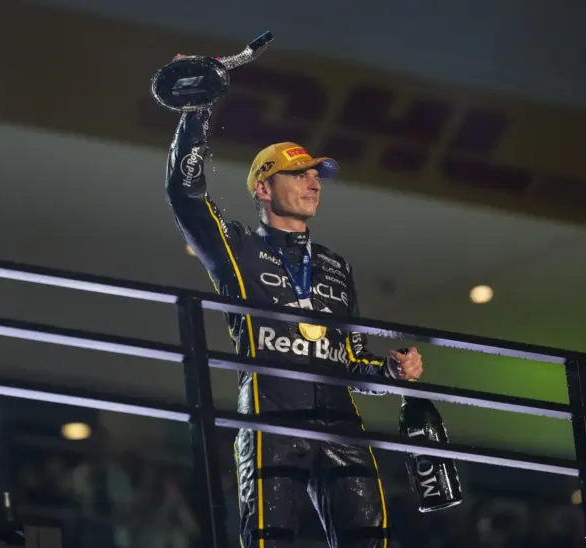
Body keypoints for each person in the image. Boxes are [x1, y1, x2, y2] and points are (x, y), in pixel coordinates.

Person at [164, 56, 423, 548]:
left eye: (316, 174)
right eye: (299, 173)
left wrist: (389, 371)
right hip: (271, 418)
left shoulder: (335, 265)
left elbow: (351, 361)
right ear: (263, 188)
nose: (313, 182)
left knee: (370, 540)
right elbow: (185, 196)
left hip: (342, 426)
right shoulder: (238, 248)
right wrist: (197, 110)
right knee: (269, 538)